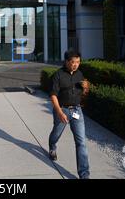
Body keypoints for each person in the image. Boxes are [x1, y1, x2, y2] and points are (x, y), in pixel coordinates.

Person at [48, 50, 91, 179]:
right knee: (56, 133)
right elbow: (53, 96)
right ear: (66, 62)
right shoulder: (58, 75)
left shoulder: (80, 74)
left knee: (81, 142)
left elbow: (84, 92)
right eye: (73, 62)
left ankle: (84, 174)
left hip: (77, 111)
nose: (75, 65)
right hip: (62, 110)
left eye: (78, 62)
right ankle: (52, 146)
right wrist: (59, 112)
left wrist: (86, 87)